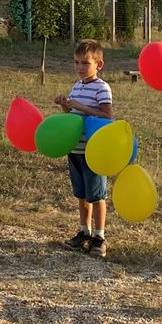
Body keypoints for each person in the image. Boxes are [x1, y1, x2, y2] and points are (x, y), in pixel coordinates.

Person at [55, 39, 114, 257]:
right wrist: (65, 105)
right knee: (81, 195)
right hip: (75, 150)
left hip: (94, 152)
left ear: (98, 65)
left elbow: (108, 117)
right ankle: (84, 232)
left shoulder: (102, 88)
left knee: (97, 196)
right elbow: (72, 119)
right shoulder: (76, 87)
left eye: (85, 63)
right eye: (77, 63)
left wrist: (81, 106)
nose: (80, 67)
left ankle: (99, 236)